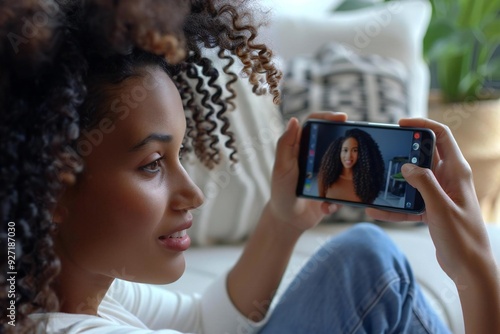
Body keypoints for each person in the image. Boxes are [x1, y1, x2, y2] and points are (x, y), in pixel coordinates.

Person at [0, 2, 499, 334]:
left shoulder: (59, 288)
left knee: (362, 262)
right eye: (153, 164)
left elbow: (204, 322)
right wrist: (475, 272)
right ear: (54, 188)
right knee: (372, 268)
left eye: (180, 156)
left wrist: (283, 220)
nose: (192, 193)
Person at [318, 128, 385, 203]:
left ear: (363, 154)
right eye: (345, 150)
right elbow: (322, 201)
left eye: (355, 150)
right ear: (338, 152)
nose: (349, 156)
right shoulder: (326, 176)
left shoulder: (368, 182)